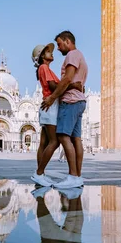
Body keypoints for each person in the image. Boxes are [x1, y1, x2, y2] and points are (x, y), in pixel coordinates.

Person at [31, 42, 83, 187]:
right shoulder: (44, 67)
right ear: (41, 57)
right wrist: (73, 85)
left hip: (48, 106)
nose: (51, 52)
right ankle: (39, 173)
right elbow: (54, 86)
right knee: (55, 141)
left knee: (44, 143)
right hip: (51, 107)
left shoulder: (45, 68)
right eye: (47, 51)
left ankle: (40, 175)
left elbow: (55, 85)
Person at [41, 31, 88, 189]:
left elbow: (67, 78)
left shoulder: (72, 55)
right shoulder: (80, 56)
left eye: (60, 44)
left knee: (62, 136)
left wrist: (53, 97)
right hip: (79, 101)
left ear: (68, 41)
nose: (59, 49)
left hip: (70, 101)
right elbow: (74, 81)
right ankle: (77, 177)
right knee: (76, 139)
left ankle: (73, 176)